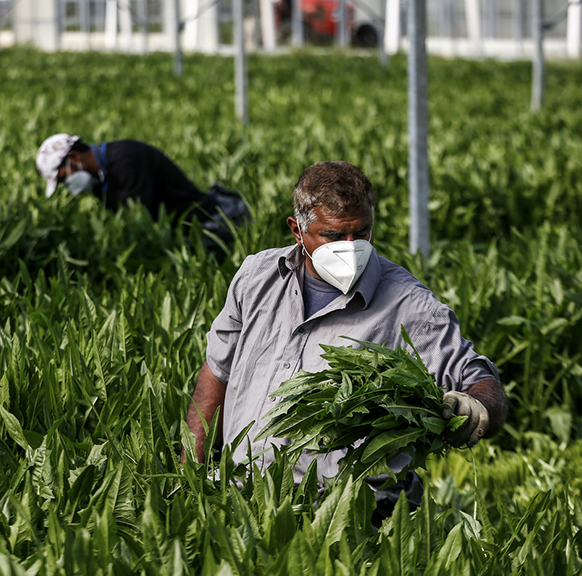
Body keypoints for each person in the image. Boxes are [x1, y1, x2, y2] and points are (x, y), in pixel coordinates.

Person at [184, 160, 508, 520]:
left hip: (348, 514)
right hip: (240, 495)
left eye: (361, 232)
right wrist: (189, 476)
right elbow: (217, 375)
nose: (351, 248)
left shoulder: (409, 306)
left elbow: (481, 383)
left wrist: (475, 407)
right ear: (297, 230)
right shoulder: (257, 277)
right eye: (334, 236)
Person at [35, 134, 249, 247]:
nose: (67, 186)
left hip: (208, 227)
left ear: (73, 158)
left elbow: (137, 223)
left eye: (63, 178)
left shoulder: (126, 159)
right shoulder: (99, 179)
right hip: (180, 232)